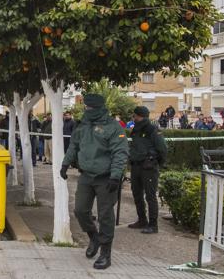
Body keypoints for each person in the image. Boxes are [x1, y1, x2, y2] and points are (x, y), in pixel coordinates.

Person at [60, 94, 129, 270]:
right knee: (80, 210)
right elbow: (74, 145)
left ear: (98, 108)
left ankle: (106, 253)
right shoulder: (83, 125)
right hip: (86, 176)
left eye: (89, 108)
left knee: (105, 215)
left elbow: (120, 152)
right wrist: (65, 163)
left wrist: (115, 175)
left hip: (106, 177)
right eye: (86, 108)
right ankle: (94, 238)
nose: (86, 111)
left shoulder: (113, 127)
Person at [128, 107, 167, 234]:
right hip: (136, 166)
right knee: (137, 194)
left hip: (148, 167)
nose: (134, 118)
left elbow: (162, 149)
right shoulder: (135, 130)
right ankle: (142, 220)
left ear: (140, 116)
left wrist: (156, 163)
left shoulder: (152, 129)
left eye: (135, 116)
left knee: (150, 196)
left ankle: (153, 225)